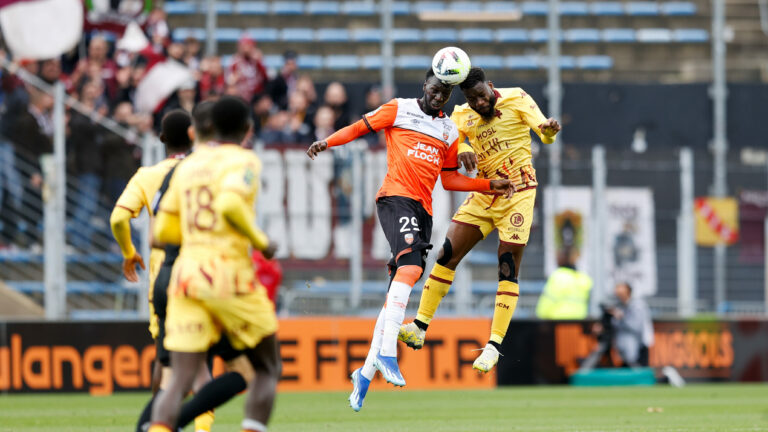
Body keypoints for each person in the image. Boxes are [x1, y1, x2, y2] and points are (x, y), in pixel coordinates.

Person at [306, 68, 515, 411]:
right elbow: (359, 128)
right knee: (411, 269)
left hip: (424, 211)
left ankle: (364, 373)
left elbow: (449, 181)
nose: (438, 97)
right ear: (425, 86)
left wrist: (487, 184)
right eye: (435, 90)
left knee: (398, 291)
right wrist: (327, 142)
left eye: (445, 94)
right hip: (395, 198)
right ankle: (388, 353)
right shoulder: (399, 108)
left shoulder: (449, 129)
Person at [399, 67, 561, 373]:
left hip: (518, 192)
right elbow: (455, 137)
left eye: (483, 97)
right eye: (473, 100)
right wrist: (462, 148)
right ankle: (419, 327)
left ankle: (493, 346)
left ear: (491, 86)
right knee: (446, 254)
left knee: (507, 267)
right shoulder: (463, 114)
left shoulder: (517, 98)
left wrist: (549, 131)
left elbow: (544, 133)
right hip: (486, 192)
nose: (479, 104)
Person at [149, 96, 280, 432]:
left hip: (185, 275)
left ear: (207, 128)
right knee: (266, 368)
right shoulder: (243, 160)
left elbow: (162, 230)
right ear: (247, 130)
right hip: (227, 273)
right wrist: (263, 242)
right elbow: (229, 205)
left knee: (178, 380)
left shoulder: (188, 165)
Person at [109, 110, 216, 432]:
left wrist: (129, 253)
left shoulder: (146, 175)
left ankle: (160, 425)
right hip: (203, 271)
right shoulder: (206, 172)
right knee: (201, 359)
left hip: (163, 275)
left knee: (166, 359)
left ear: (160, 139)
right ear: (194, 135)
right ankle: (203, 428)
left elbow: (117, 218)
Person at [580, 282, 654, 370]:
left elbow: (636, 326)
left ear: (628, 292)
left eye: (621, 294)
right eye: (617, 294)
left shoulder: (637, 306)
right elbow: (612, 322)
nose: (619, 296)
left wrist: (621, 317)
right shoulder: (619, 305)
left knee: (636, 367)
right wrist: (602, 325)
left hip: (637, 345)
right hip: (622, 345)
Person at [535, 248, 593, 319]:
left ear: (564, 258)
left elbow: (546, 303)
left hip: (557, 323)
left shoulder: (558, 276)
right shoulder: (583, 279)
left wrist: (539, 317)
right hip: (578, 323)